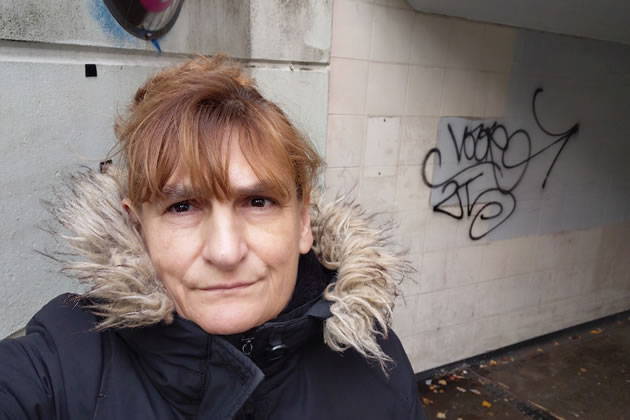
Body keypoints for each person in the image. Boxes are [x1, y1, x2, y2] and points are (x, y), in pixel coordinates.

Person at [0, 55, 425, 419]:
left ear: (302, 223)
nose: (225, 251)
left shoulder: (375, 362)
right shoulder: (59, 364)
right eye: (182, 206)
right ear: (138, 228)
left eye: (257, 201)